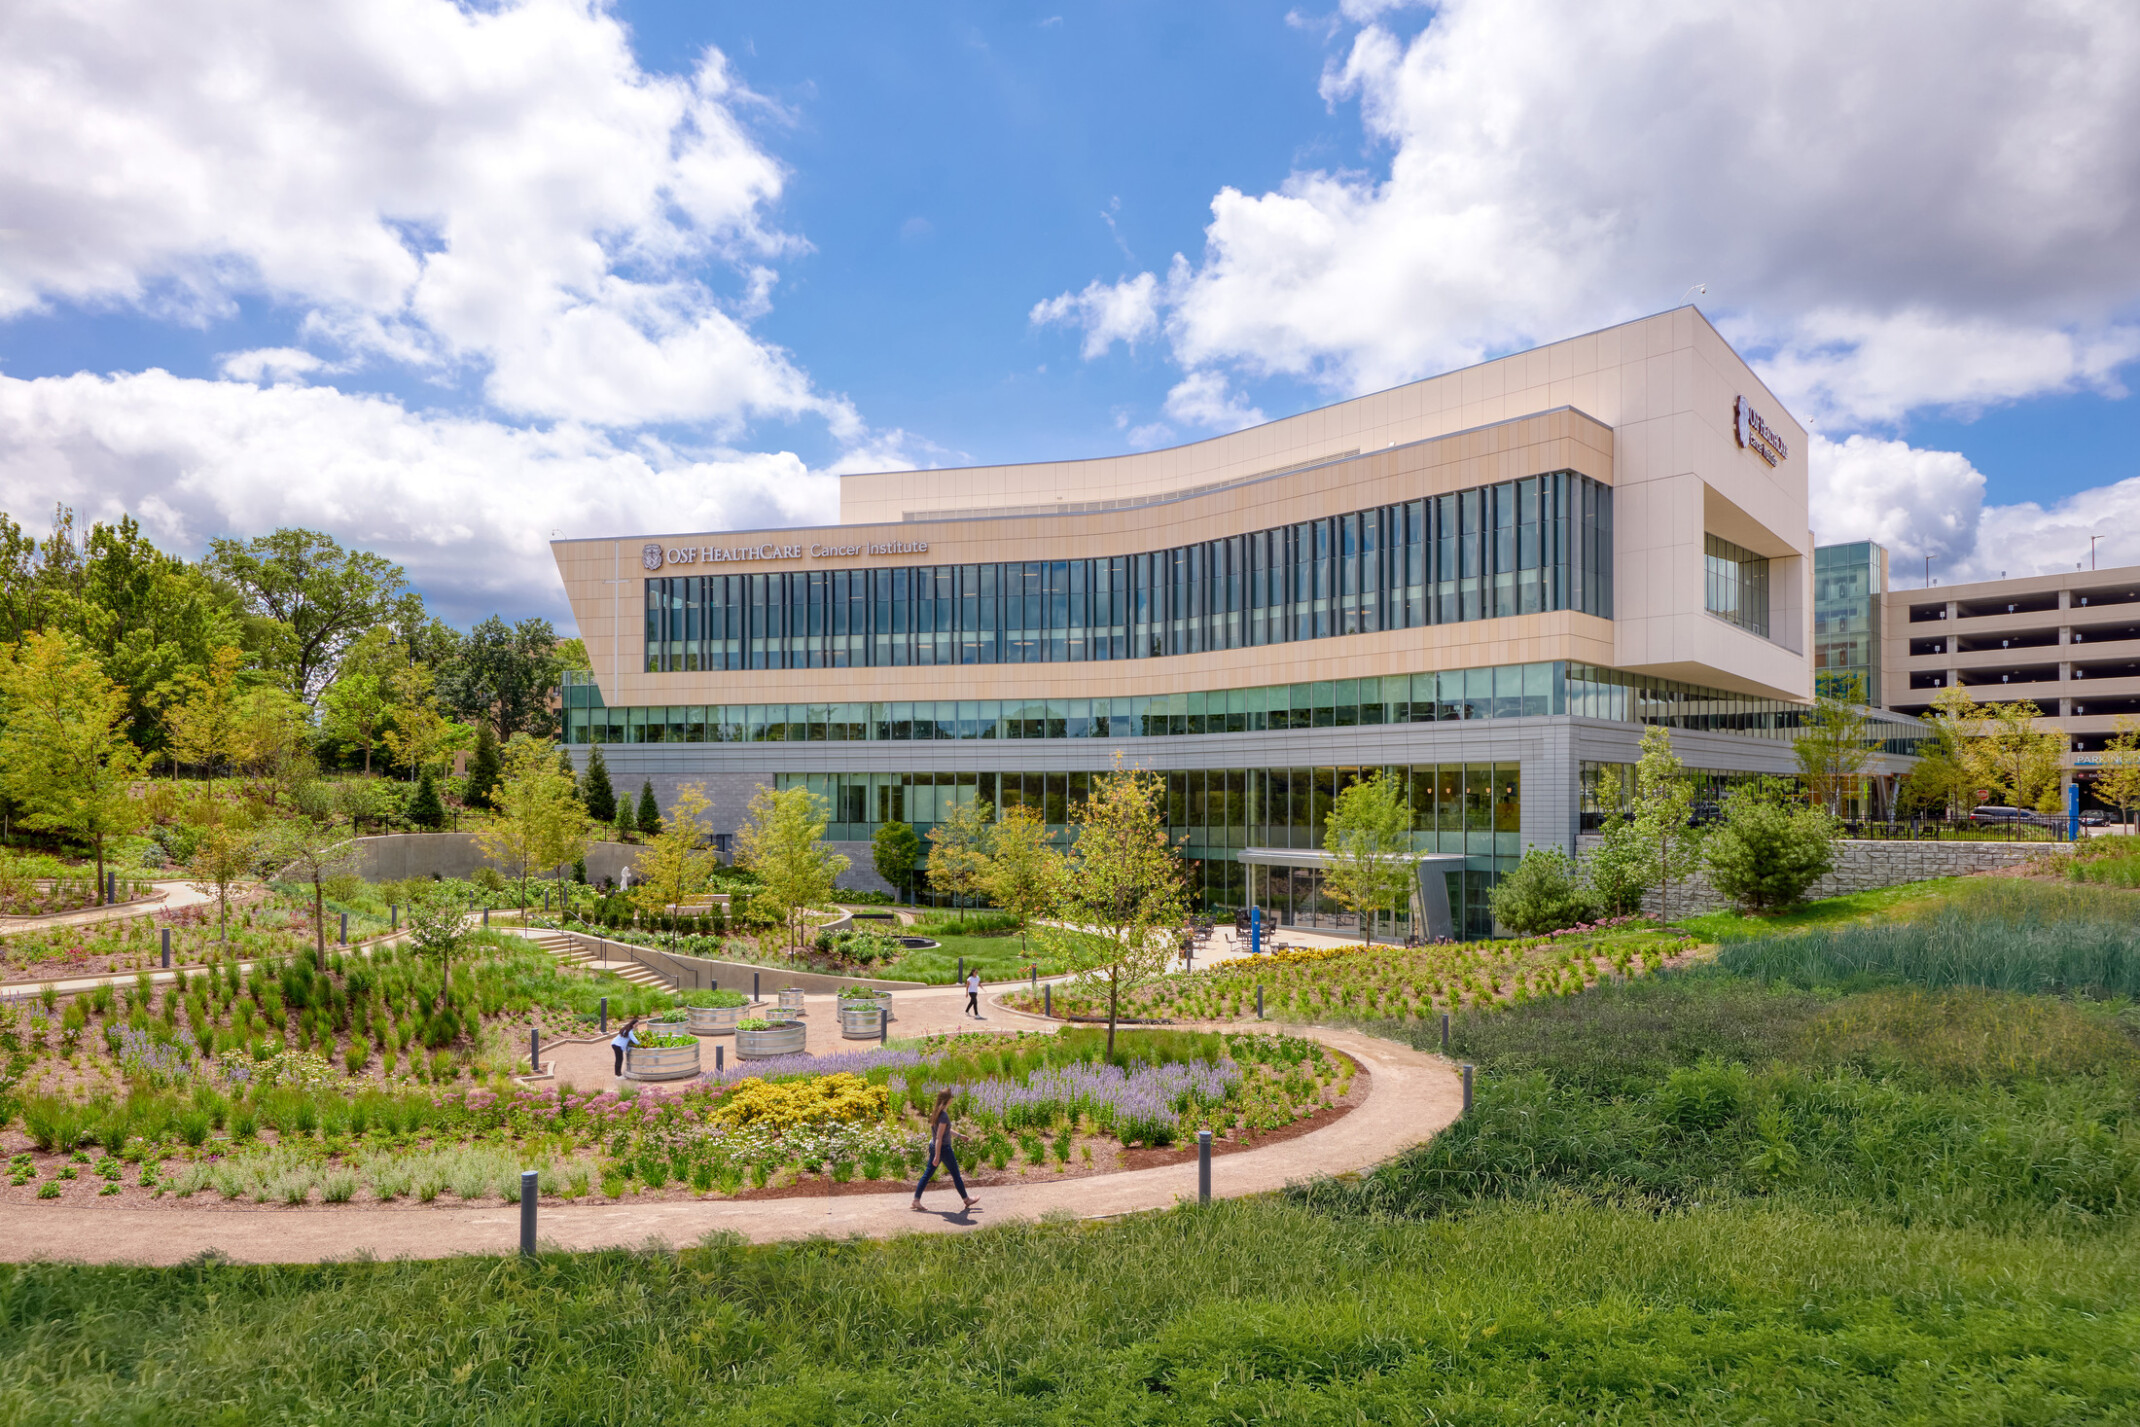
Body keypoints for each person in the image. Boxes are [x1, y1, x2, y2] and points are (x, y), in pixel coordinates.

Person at [912, 1088, 979, 1213]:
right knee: (955, 1174)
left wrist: (960, 1136)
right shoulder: (943, 1116)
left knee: (927, 1174)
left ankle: (916, 1200)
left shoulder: (936, 1113)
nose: (953, 1099)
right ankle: (966, 1199)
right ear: (948, 1100)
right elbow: (939, 1137)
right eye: (951, 1097)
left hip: (934, 1146)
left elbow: (944, 1131)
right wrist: (937, 1155)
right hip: (943, 1149)